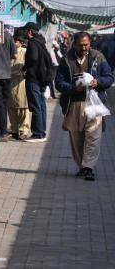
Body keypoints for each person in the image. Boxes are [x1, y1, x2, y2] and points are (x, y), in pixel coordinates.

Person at [55, 32, 114, 181]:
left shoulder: (98, 57)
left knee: (94, 137)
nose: (84, 48)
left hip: (94, 105)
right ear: (74, 44)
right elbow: (59, 83)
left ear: (90, 43)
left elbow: (109, 77)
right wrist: (74, 88)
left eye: (86, 44)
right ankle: (83, 166)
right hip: (74, 105)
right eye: (80, 45)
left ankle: (88, 167)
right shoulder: (66, 59)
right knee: (77, 139)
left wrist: (97, 82)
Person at [23, 22, 53, 142]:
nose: (25, 33)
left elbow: (34, 58)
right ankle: (42, 132)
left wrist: (26, 67)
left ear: (30, 31)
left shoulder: (32, 43)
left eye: (26, 31)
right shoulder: (41, 42)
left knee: (35, 106)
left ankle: (37, 133)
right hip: (41, 79)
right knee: (41, 105)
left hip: (34, 78)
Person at [9, 34, 32, 140]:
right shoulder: (8, 51)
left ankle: (24, 130)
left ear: (20, 42)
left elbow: (24, 67)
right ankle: (14, 130)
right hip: (10, 83)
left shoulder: (25, 52)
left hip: (21, 83)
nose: (14, 43)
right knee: (11, 107)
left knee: (23, 108)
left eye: (15, 41)